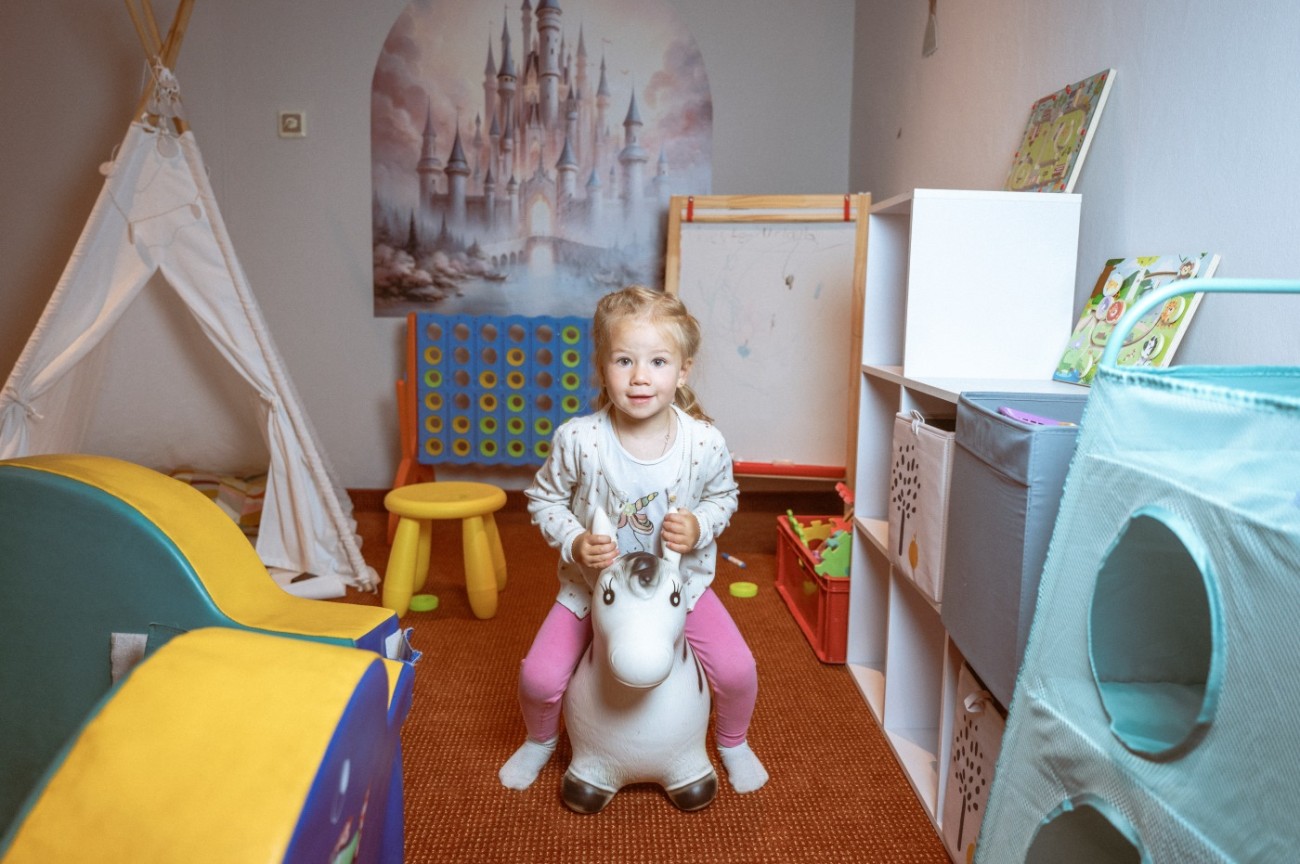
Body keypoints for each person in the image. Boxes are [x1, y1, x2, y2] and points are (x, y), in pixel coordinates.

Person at [498, 285, 768, 795]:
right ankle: (540, 740)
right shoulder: (579, 440)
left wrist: (700, 526)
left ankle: (732, 741)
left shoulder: (703, 441)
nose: (640, 377)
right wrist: (576, 542)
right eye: (624, 360)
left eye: (658, 361)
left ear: (683, 370)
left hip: (681, 585)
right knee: (538, 677)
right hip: (591, 589)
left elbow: (724, 496)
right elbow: (543, 499)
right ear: (602, 368)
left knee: (737, 670)